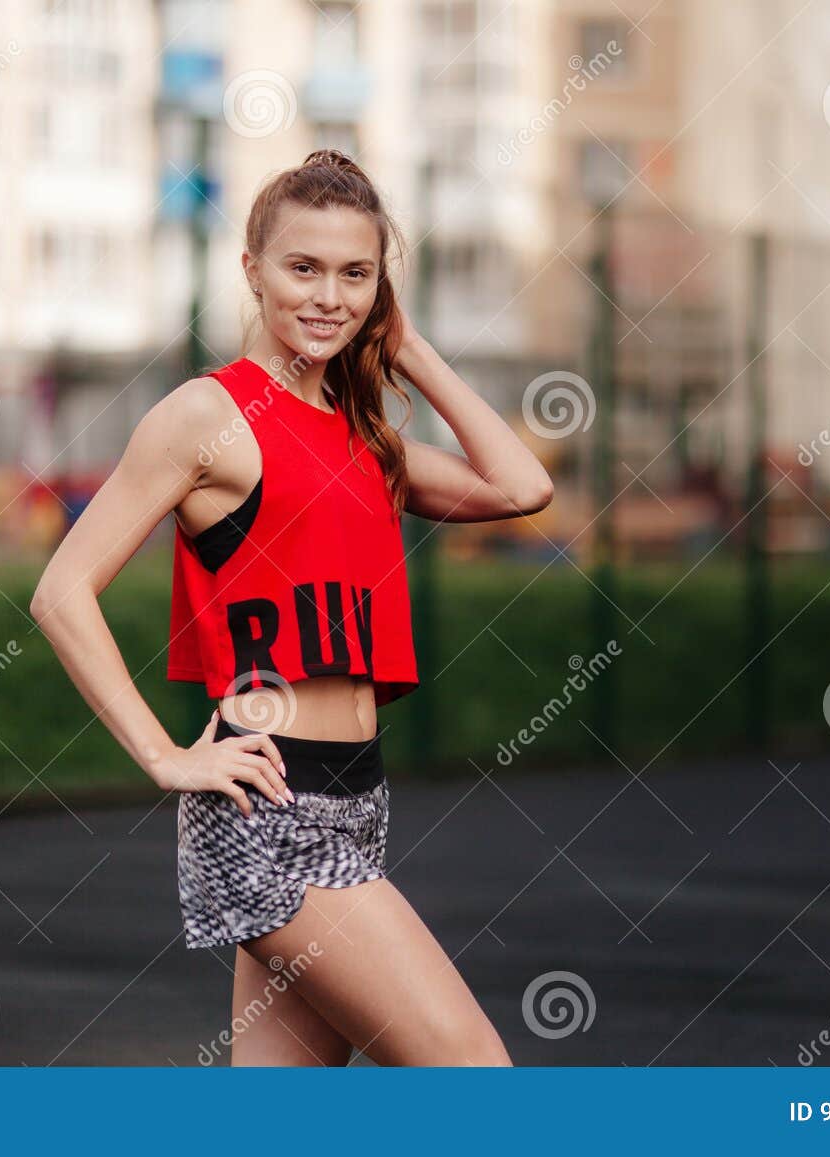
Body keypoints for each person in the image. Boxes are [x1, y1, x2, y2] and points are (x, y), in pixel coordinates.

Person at [31, 149, 553, 1066]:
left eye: (356, 274)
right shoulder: (207, 416)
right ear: (252, 270)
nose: (328, 296)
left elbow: (520, 486)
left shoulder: (364, 437)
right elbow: (60, 589)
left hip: (359, 797)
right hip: (270, 801)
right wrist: (161, 753)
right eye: (301, 267)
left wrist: (410, 350)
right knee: (476, 1075)